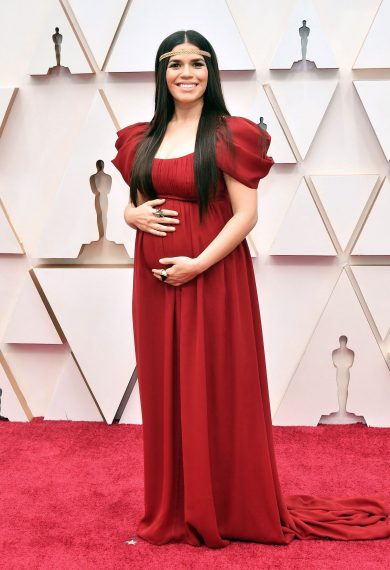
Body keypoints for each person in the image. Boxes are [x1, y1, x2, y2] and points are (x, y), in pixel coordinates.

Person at [111, 30, 390, 548]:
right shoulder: (142, 138)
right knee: (166, 389)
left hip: (213, 278)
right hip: (153, 287)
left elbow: (246, 215)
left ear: (211, 71)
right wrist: (131, 214)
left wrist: (197, 264)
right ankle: (174, 506)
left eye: (198, 63)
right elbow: (135, 200)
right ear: (161, 72)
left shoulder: (228, 135)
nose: (186, 73)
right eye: (175, 64)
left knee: (215, 385)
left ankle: (223, 503)